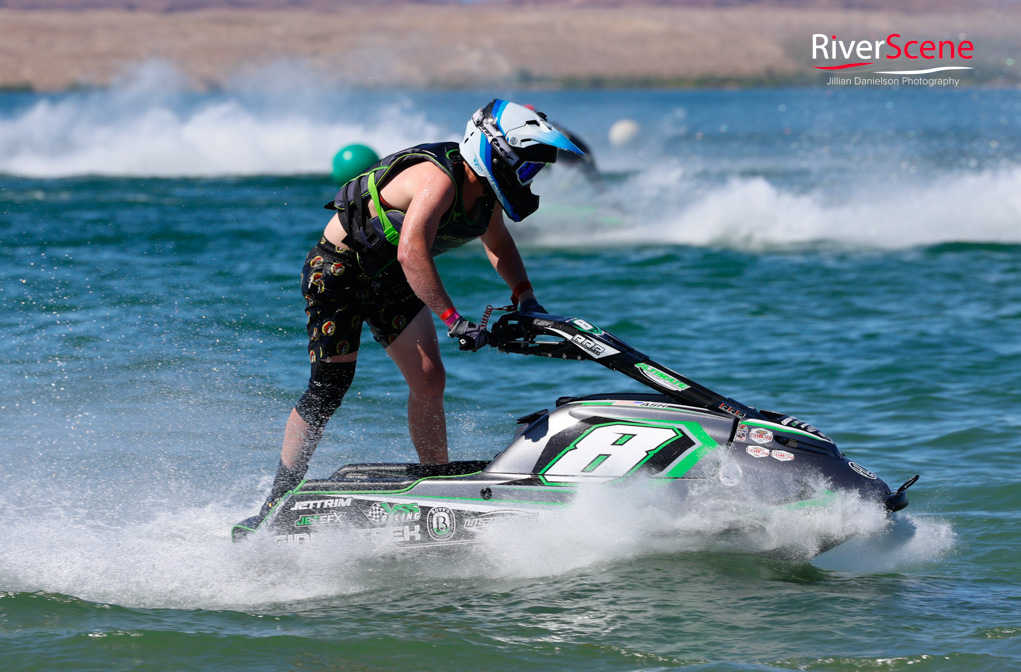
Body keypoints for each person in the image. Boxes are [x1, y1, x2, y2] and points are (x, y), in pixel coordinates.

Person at [234, 100, 583, 535]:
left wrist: (526, 297)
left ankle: (437, 488)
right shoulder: (440, 180)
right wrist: (453, 318)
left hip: (392, 279)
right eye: (527, 167)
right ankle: (276, 500)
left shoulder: (486, 197)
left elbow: (499, 246)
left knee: (429, 378)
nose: (528, 178)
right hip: (339, 271)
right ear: (495, 152)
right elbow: (412, 250)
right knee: (328, 388)